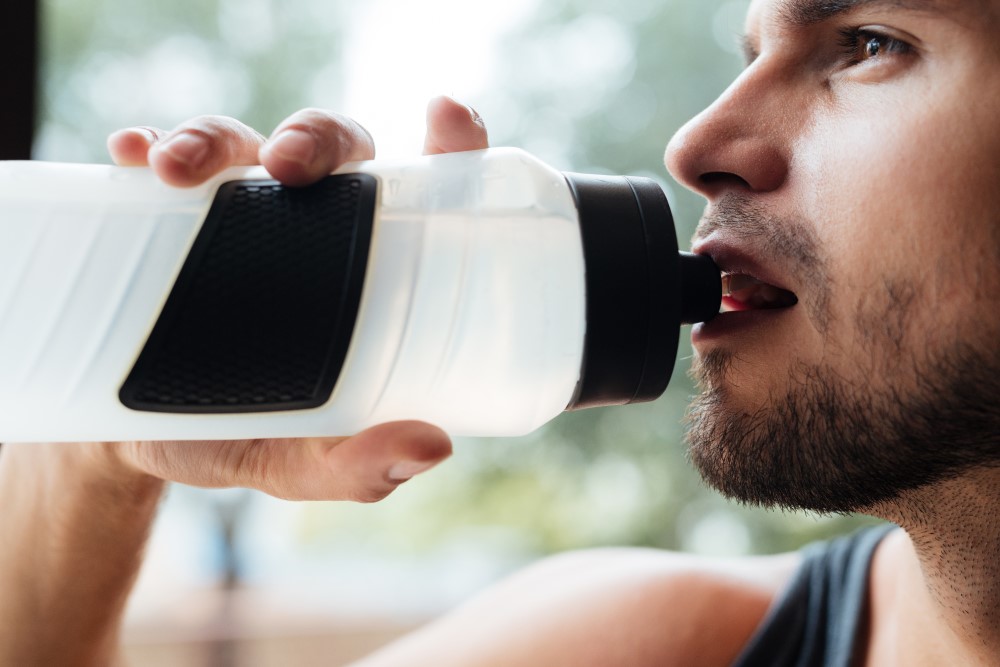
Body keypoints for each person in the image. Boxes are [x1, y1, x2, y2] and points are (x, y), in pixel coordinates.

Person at [2, 0, 998, 664]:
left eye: (870, 43)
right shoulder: (650, 644)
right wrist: (98, 448)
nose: (695, 146)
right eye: (746, 56)